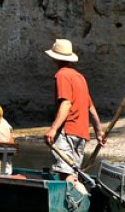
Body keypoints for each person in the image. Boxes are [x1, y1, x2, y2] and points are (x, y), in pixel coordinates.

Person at [43, 38, 106, 191]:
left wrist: (53, 128)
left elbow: (66, 103)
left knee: (67, 175)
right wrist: (99, 132)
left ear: (55, 57)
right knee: (74, 173)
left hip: (67, 132)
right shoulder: (80, 77)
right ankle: (79, 200)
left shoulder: (62, 75)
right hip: (82, 134)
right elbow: (90, 107)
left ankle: (84, 199)